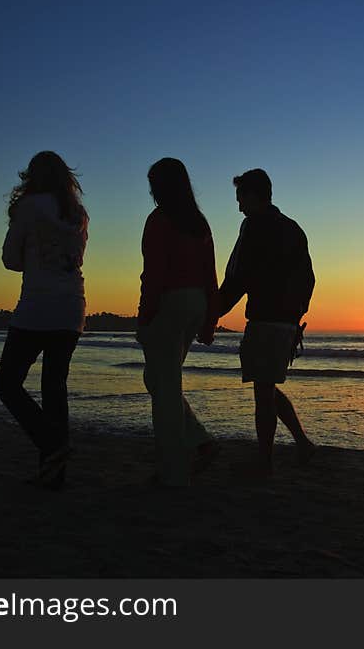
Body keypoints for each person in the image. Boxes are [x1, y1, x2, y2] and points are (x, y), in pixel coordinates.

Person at [0, 151, 88, 490]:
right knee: (54, 388)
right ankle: (54, 474)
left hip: (37, 307)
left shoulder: (29, 207)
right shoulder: (78, 213)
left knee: (7, 382)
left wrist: (32, 259)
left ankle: (53, 444)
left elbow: (10, 259)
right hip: (72, 308)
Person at [217, 168, 316, 477]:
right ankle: (302, 444)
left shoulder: (253, 227)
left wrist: (212, 313)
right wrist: (297, 314)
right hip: (287, 323)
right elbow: (309, 279)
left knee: (263, 391)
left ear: (253, 195)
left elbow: (237, 277)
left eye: (240, 198)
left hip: (265, 320)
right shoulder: (294, 229)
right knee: (267, 385)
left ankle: (265, 462)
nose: (239, 207)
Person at [136, 157, 220, 488]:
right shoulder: (198, 223)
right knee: (158, 379)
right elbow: (210, 275)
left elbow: (154, 274)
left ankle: (174, 470)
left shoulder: (159, 220)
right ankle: (200, 441)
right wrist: (209, 318)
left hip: (170, 303)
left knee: (165, 386)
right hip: (195, 303)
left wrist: (145, 315)